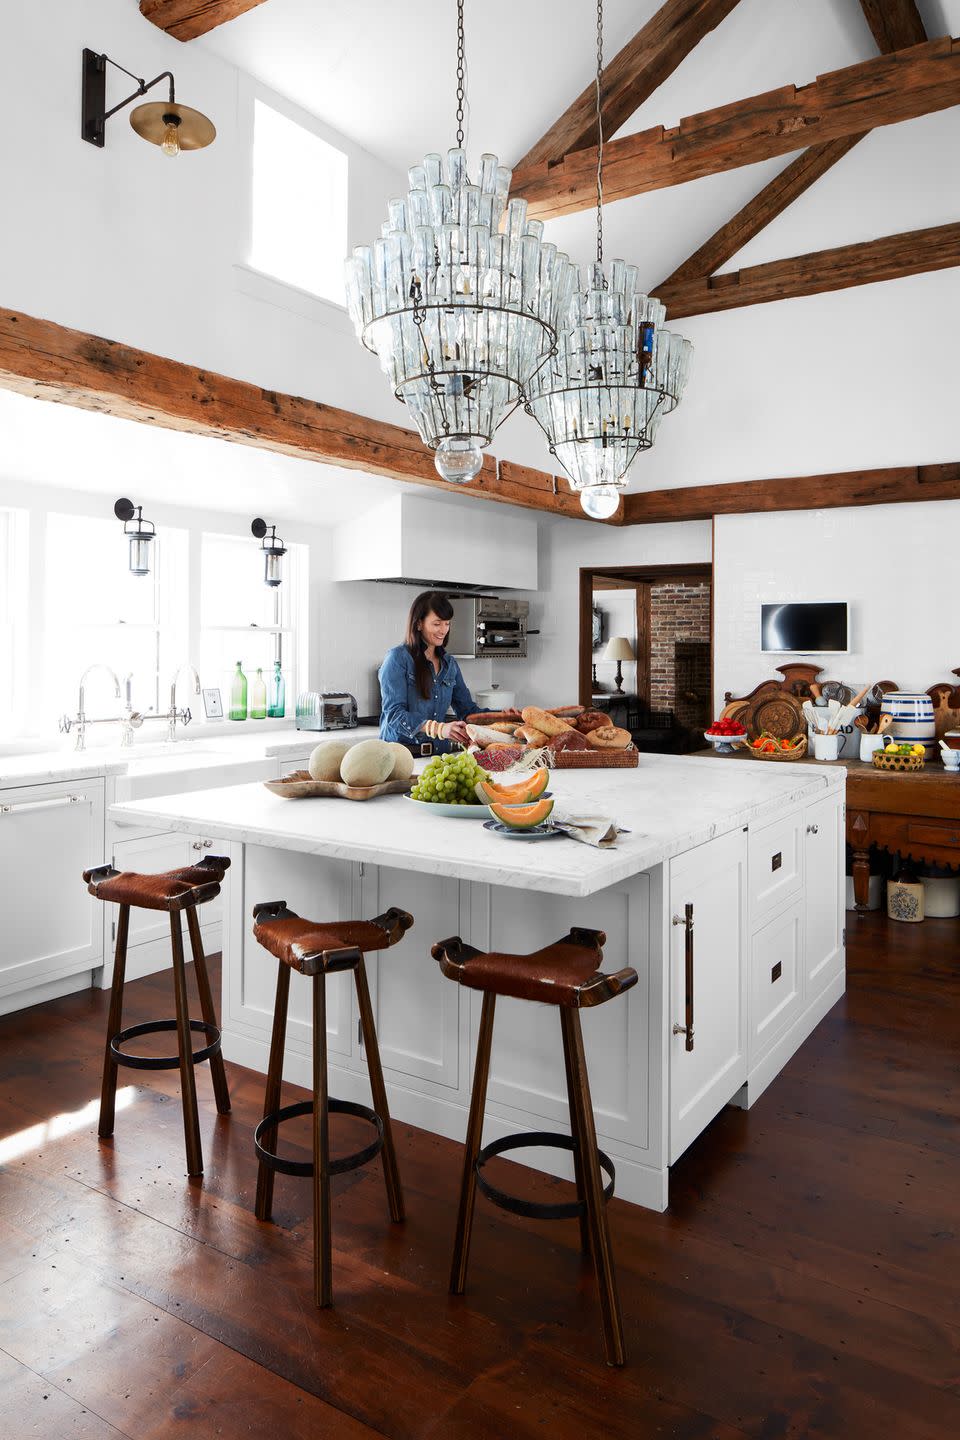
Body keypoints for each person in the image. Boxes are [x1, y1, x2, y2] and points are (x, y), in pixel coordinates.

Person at [379, 591, 482, 752]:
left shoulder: (449, 664)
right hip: (401, 757)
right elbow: (394, 715)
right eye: (437, 624)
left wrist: (507, 717)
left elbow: (468, 711)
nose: (443, 630)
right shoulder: (397, 658)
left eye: (447, 623)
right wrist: (439, 729)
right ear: (419, 624)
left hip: (438, 756)